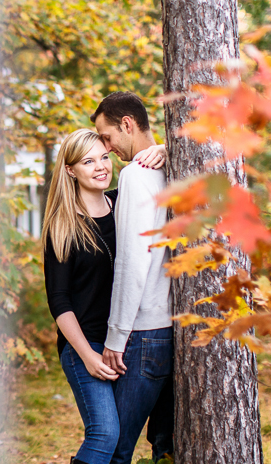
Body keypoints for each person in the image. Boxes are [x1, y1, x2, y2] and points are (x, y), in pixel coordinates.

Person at [43, 129, 165, 464]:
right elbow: (60, 302)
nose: (101, 167)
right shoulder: (62, 225)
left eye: (104, 157)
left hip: (125, 340)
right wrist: (87, 356)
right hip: (86, 344)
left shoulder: (122, 202)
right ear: (71, 170)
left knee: (124, 440)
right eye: (88, 161)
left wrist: (165, 150)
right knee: (105, 433)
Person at [91, 92, 174, 464]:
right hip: (170, 330)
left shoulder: (136, 176)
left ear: (127, 124)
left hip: (142, 336)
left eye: (106, 137)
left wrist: (116, 336)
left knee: (113, 450)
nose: (105, 148)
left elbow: (131, 264)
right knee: (165, 445)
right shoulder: (171, 167)